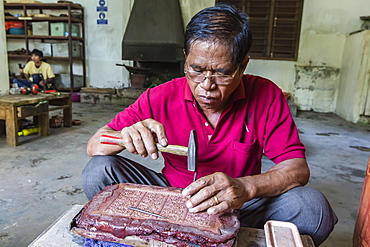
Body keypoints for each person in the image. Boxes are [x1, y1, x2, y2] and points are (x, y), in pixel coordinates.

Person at [82, 4, 337, 246]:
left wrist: (246, 187)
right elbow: (94, 145)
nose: (206, 85)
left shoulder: (266, 95)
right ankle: (167, 230)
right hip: (171, 198)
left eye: (222, 72)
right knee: (98, 169)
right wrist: (123, 137)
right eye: (196, 69)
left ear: (242, 66)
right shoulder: (158, 96)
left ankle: (219, 234)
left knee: (313, 209)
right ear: (185, 58)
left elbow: (297, 169)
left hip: (236, 204)